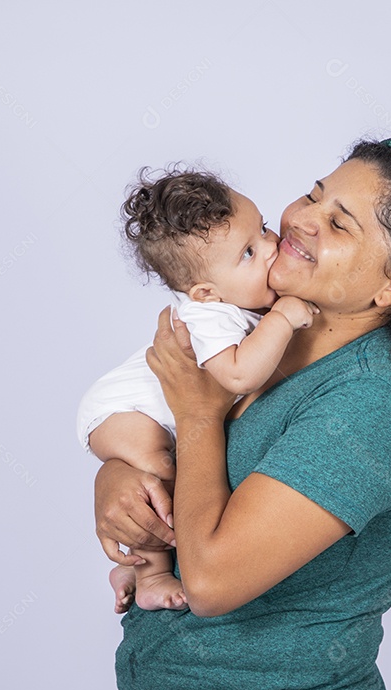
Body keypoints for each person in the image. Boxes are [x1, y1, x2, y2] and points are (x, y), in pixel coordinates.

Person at [93, 137, 391, 690]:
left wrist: (198, 414)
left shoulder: (371, 405)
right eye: (313, 193)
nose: (301, 219)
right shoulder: (249, 334)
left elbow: (210, 583)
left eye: (339, 223)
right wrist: (117, 473)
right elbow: (170, 443)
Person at [77, 168, 318, 613]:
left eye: (262, 228)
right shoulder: (213, 316)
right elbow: (238, 377)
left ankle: (130, 567)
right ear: (206, 291)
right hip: (123, 409)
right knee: (162, 476)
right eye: (248, 252)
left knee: (162, 476)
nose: (270, 246)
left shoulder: (231, 302)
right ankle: (150, 573)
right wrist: (284, 317)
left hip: (146, 410)